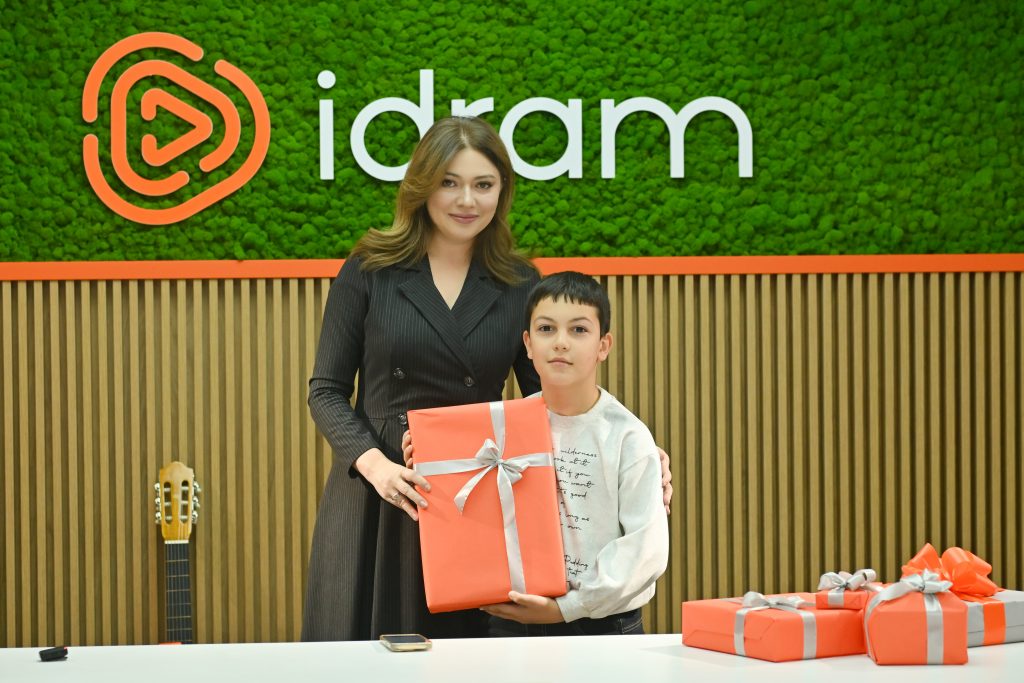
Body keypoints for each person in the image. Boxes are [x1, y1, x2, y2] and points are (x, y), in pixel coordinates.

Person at [303, 116, 672, 642]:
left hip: (479, 494)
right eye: (449, 182)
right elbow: (325, 390)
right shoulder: (369, 269)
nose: (466, 200)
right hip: (380, 493)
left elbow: (548, 396)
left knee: (467, 657)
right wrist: (377, 467)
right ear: (422, 185)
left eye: (483, 185)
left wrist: (628, 449)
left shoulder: (519, 281)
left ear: (502, 191)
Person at [478, 271, 669, 636]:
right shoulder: (499, 429)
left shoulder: (628, 438)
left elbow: (645, 550)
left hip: (603, 626)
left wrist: (566, 608)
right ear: (528, 344)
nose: (561, 343)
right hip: (514, 615)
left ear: (603, 345)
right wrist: (424, 455)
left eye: (579, 330)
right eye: (546, 329)